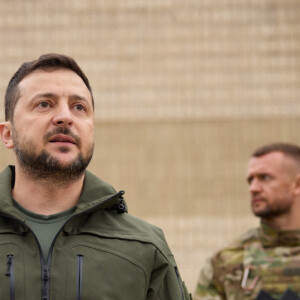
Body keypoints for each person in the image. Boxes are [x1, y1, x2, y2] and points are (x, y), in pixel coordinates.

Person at [0, 53, 192, 300]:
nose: (65, 117)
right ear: (8, 134)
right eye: (44, 104)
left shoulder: (143, 246)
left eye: (79, 107)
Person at [194, 143, 300, 300]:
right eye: (251, 180)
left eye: (265, 177)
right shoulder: (227, 259)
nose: (253, 188)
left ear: (297, 185)